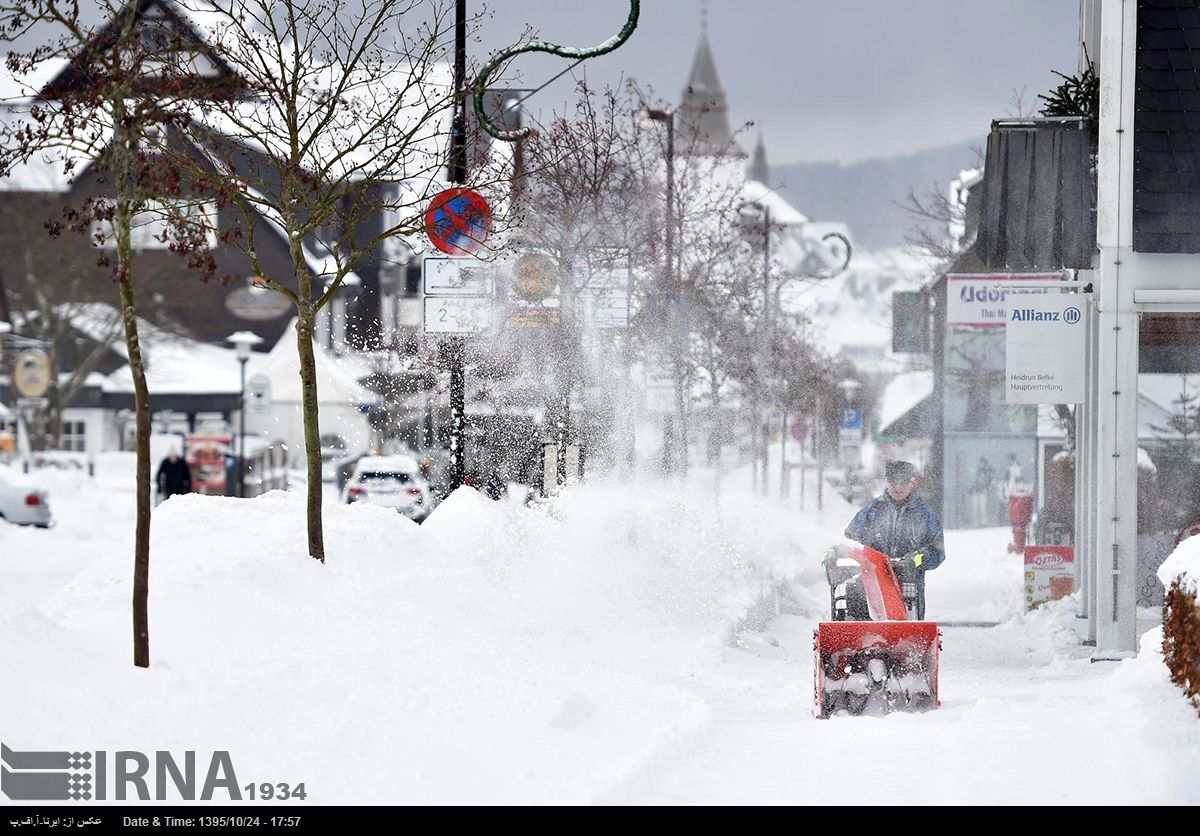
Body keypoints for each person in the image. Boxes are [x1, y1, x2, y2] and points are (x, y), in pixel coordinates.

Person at [845, 460, 945, 619]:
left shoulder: (925, 514)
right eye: (893, 481)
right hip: (874, 579)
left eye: (903, 482)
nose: (898, 487)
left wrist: (916, 560)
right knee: (854, 591)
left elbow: (937, 551)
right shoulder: (872, 510)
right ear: (887, 481)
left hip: (909, 584)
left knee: (909, 621)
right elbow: (851, 537)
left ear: (911, 483)